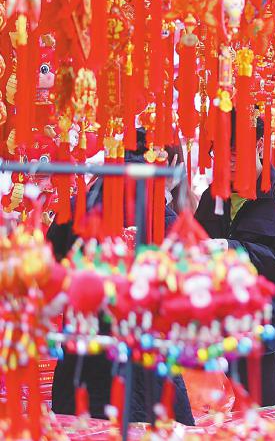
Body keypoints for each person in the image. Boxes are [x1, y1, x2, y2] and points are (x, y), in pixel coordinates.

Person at [47, 128, 193, 425]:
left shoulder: (77, 209)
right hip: (143, 365)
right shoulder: (163, 220)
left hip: (84, 358)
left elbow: (50, 273)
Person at [194, 114, 275, 407]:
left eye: (234, 152)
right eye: (218, 153)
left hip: (265, 330)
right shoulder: (211, 196)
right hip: (218, 328)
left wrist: (233, 249)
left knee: (265, 416)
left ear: (259, 145)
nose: (226, 161)